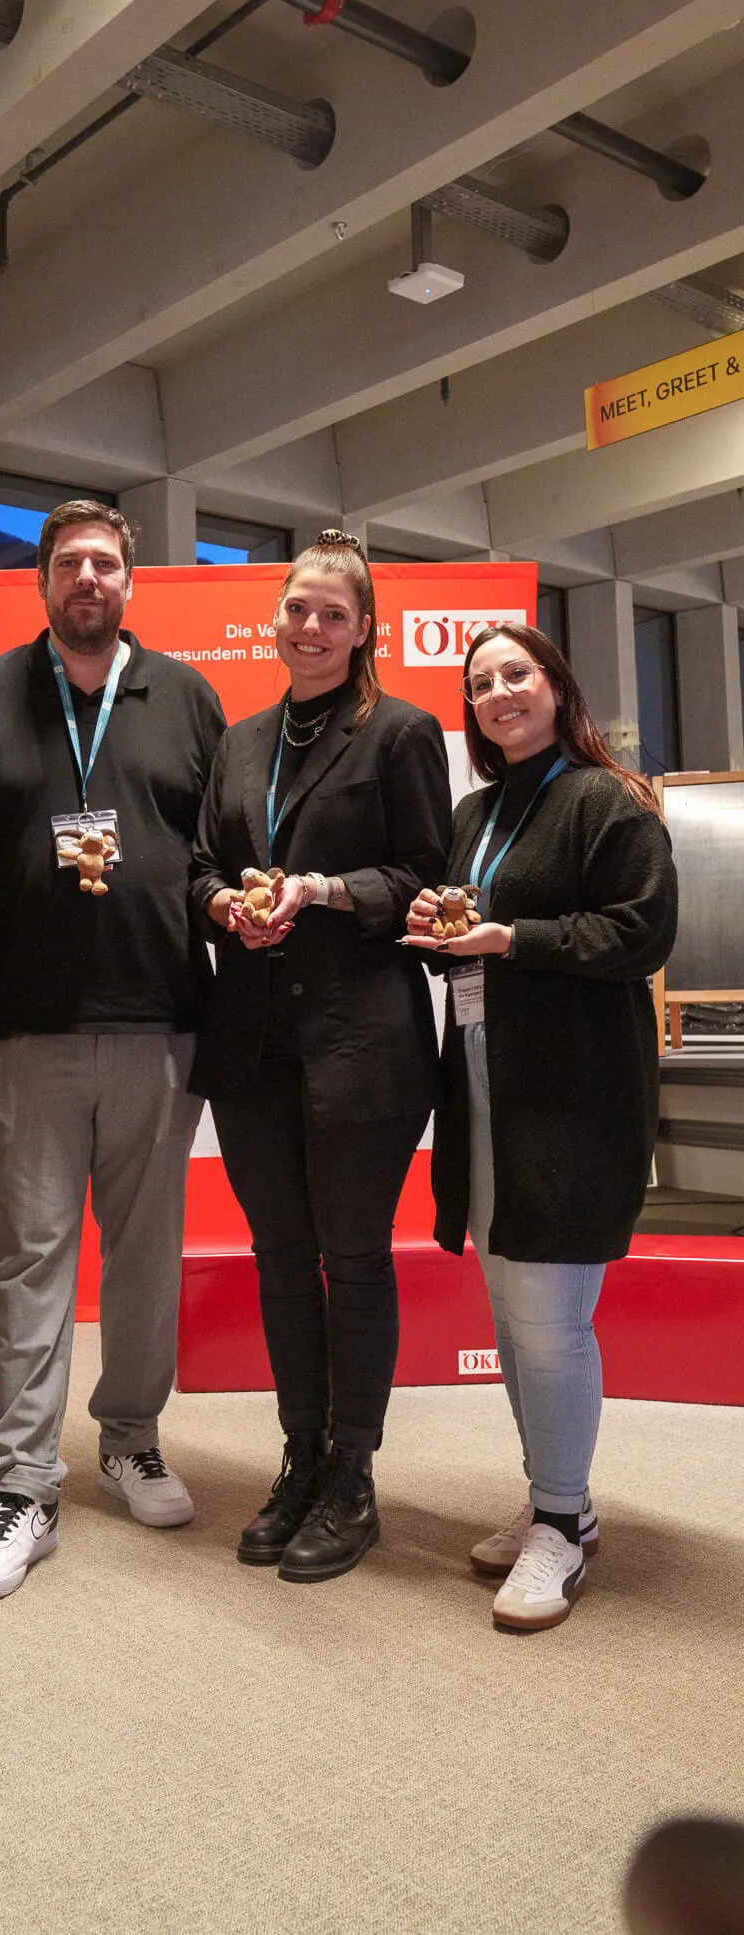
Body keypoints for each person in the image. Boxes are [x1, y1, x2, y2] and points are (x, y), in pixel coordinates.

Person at [0, 499, 225, 1602]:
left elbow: (217, 856)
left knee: (145, 1257)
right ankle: (21, 1484)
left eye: (105, 563)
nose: (87, 578)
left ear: (130, 582)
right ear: (42, 582)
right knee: (28, 1260)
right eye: (69, 564)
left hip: (160, 1024)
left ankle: (132, 1437)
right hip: (24, 1029)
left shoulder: (187, 697)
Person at [189, 531, 452, 1582]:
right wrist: (222, 904)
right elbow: (203, 861)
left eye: (330, 614)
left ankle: (352, 1472)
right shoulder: (239, 742)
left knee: (352, 1257)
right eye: (295, 607)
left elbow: (426, 874)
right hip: (253, 1041)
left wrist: (324, 890)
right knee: (278, 1258)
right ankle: (299, 1456)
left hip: (361, 1042)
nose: (307, 626)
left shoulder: (400, 733)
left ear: (362, 630)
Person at [404, 622, 677, 1632]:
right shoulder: (478, 811)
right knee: (512, 1315)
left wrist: (507, 935)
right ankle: (558, 1492)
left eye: (514, 674)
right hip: (481, 1092)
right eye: (479, 684)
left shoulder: (609, 800)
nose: (497, 692)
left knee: (552, 1324)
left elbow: (639, 929)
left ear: (556, 686)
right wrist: (444, 929)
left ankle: (559, 1525)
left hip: (571, 1100)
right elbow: (473, 944)